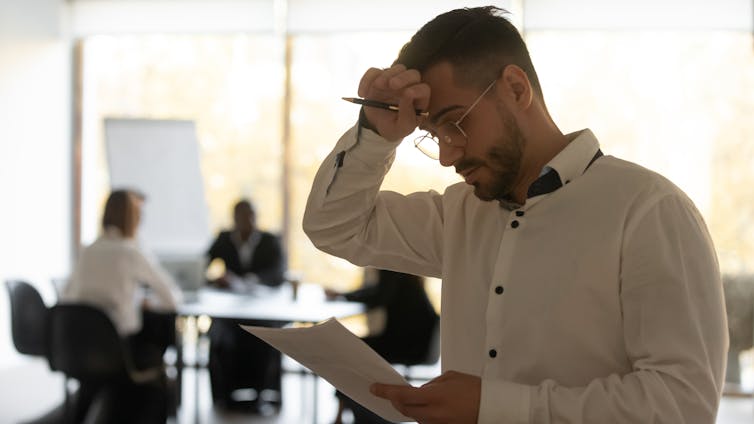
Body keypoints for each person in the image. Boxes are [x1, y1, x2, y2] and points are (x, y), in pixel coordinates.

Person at [303, 6, 728, 424]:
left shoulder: (649, 210)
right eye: (433, 135)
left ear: (516, 88)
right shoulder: (460, 216)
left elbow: (683, 404)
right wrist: (375, 134)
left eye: (455, 124)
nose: (448, 155)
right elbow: (335, 226)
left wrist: (495, 407)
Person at [63, 188, 183, 422]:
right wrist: (144, 302)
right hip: (119, 354)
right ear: (133, 219)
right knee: (157, 350)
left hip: (79, 349)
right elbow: (172, 298)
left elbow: (67, 297)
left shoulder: (87, 251)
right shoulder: (131, 253)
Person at [205, 198, 287, 414]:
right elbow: (203, 265)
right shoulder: (223, 239)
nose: (246, 221)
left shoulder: (270, 240)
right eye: (241, 216)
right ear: (234, 218)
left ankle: (262, 395)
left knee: (265, 337)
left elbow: (279, 273)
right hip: (229, 311)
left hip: (264, 310)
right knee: (219, 336)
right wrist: (217, 279)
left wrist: (252, 280)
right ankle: (224, 396)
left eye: (250, 216)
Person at [326, 268, 439, 424]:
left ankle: (343, 414)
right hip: (414, 341)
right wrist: (344, 295)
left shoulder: (392, 267)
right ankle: (347, 412)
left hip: (409, 344)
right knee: (352, 348)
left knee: (349, 349)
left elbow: (378, 297)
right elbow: (378, 293)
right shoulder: (404, 270)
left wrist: (343, 295)